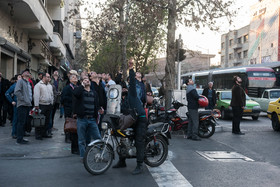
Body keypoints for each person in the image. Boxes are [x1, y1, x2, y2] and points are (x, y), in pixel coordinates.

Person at [113, 59, 147, 175]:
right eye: (125, 85)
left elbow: (132, 81)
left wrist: (131, 69)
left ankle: (140, 165)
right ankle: (122, 161)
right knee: (123, 138)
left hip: (140, 118)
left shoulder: (132, 93)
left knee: (139, 140)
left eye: (127, 84)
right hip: (132, 119)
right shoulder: (124, 99)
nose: (125, 87)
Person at [72, 75, 103, 158]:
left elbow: (96, 104)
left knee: (98, 138)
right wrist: (82, 86)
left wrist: (100, 109)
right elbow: (75, 93)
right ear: (82, 81)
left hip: (92, 120)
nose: (87, 81)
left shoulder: (94, 93)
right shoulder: (80, 91)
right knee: (81, 140)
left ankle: (101, 155)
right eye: (85, 80)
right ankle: (83, 157)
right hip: (82, 119)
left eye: (88, 79)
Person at [61, 74, 79, 154]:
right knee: (69, 124)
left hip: (75, 109)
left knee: (75, 126)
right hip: (69, 108)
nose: (76, 79)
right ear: (70, 80)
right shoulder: (67, 88)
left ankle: (73, 141)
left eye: (76, 77)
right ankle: (67, 137)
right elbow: (63, 98)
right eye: (74, 77)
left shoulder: (77, 87)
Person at [14, 69, 33, 144]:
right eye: (25, 72)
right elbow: (17, 91)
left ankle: (22, 137)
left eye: (28, 72)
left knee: (24, 122)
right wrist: (23, 99)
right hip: (22, 105)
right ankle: (19, 139)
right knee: (21, 122)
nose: (27, 72)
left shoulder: (28, 82)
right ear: (22, 75)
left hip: (27, 105)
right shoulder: (20, 81)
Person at [33, 73, 54, 140]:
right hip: (41, 105)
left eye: (49, 77)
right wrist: (36, 105)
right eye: (48, 77)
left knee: (47, 120)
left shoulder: (50, 86)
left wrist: (51, 102)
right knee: (39, 120)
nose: (49, 78)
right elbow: (36, 95)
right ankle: (38, 134)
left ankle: (44, 133)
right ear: (44, 77)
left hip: (48, 105)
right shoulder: (38, 85)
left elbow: (52, 95)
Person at [5, 74, 22, 139]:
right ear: (16, 79)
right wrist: (12, 101)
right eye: (19, 77)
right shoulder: (14, 86)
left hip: (22, 104)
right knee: (16, 119)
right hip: (17, 104)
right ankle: (14, 133)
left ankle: (19, 132)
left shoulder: (23, 85)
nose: (21, 78)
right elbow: (7, 93)